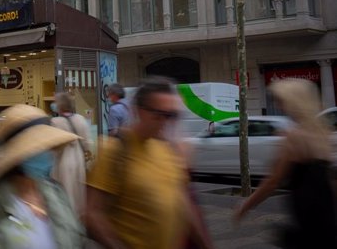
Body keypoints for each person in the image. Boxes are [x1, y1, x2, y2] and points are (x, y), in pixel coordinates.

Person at [85, 77, 212, 249]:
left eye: (172, 115)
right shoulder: (115, 150)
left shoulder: (168, 149)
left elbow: (183, 203)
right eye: (160, 114)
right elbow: (92, 214)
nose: (167, 122)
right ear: (139, 111)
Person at [235, 78, 336, 248]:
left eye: (281, 101)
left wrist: (246, 206)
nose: (280, 106)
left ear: (293, 102)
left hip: (306, 209)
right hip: (326, 209)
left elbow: (273, 181)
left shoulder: (294, 136)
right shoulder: (324, 132)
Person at [0, 104, 85, 248]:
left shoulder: (56, 192)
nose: (47, 153)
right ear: (19, 156)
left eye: (48, 147)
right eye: (38, 149)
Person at [50, 91, 92, 216]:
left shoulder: (55, 122)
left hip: (62, 162)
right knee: (79, 193)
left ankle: (68, 220)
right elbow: (88, 144)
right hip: (78, 160)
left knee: (65, 194)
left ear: (60, 105)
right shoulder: (80, 119)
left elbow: (53, 146)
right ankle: (80, 219)